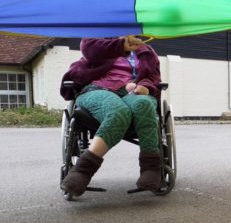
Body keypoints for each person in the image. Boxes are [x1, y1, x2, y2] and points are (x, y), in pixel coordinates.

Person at [60, 36, 162, 197]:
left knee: (144, 104)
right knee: (118, 111)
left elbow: (154, 77)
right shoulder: (102, 41)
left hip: (132, 91)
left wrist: (146, 87)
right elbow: (88, 48)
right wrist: (121, 45)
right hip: (98, 89)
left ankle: (151, 169)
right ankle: (82, 171)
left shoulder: (146, 51)